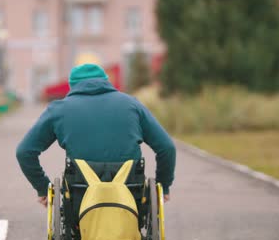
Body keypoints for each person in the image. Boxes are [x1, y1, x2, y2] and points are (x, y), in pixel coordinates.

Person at [16, 63, 176, 207]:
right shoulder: (132, 105)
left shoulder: (58, 110)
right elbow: (166, 147)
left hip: (80, 197)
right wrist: (163, 186)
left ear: (72, 86)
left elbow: (24, 152)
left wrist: (43, 188)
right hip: (130, 194)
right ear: (107, 81)